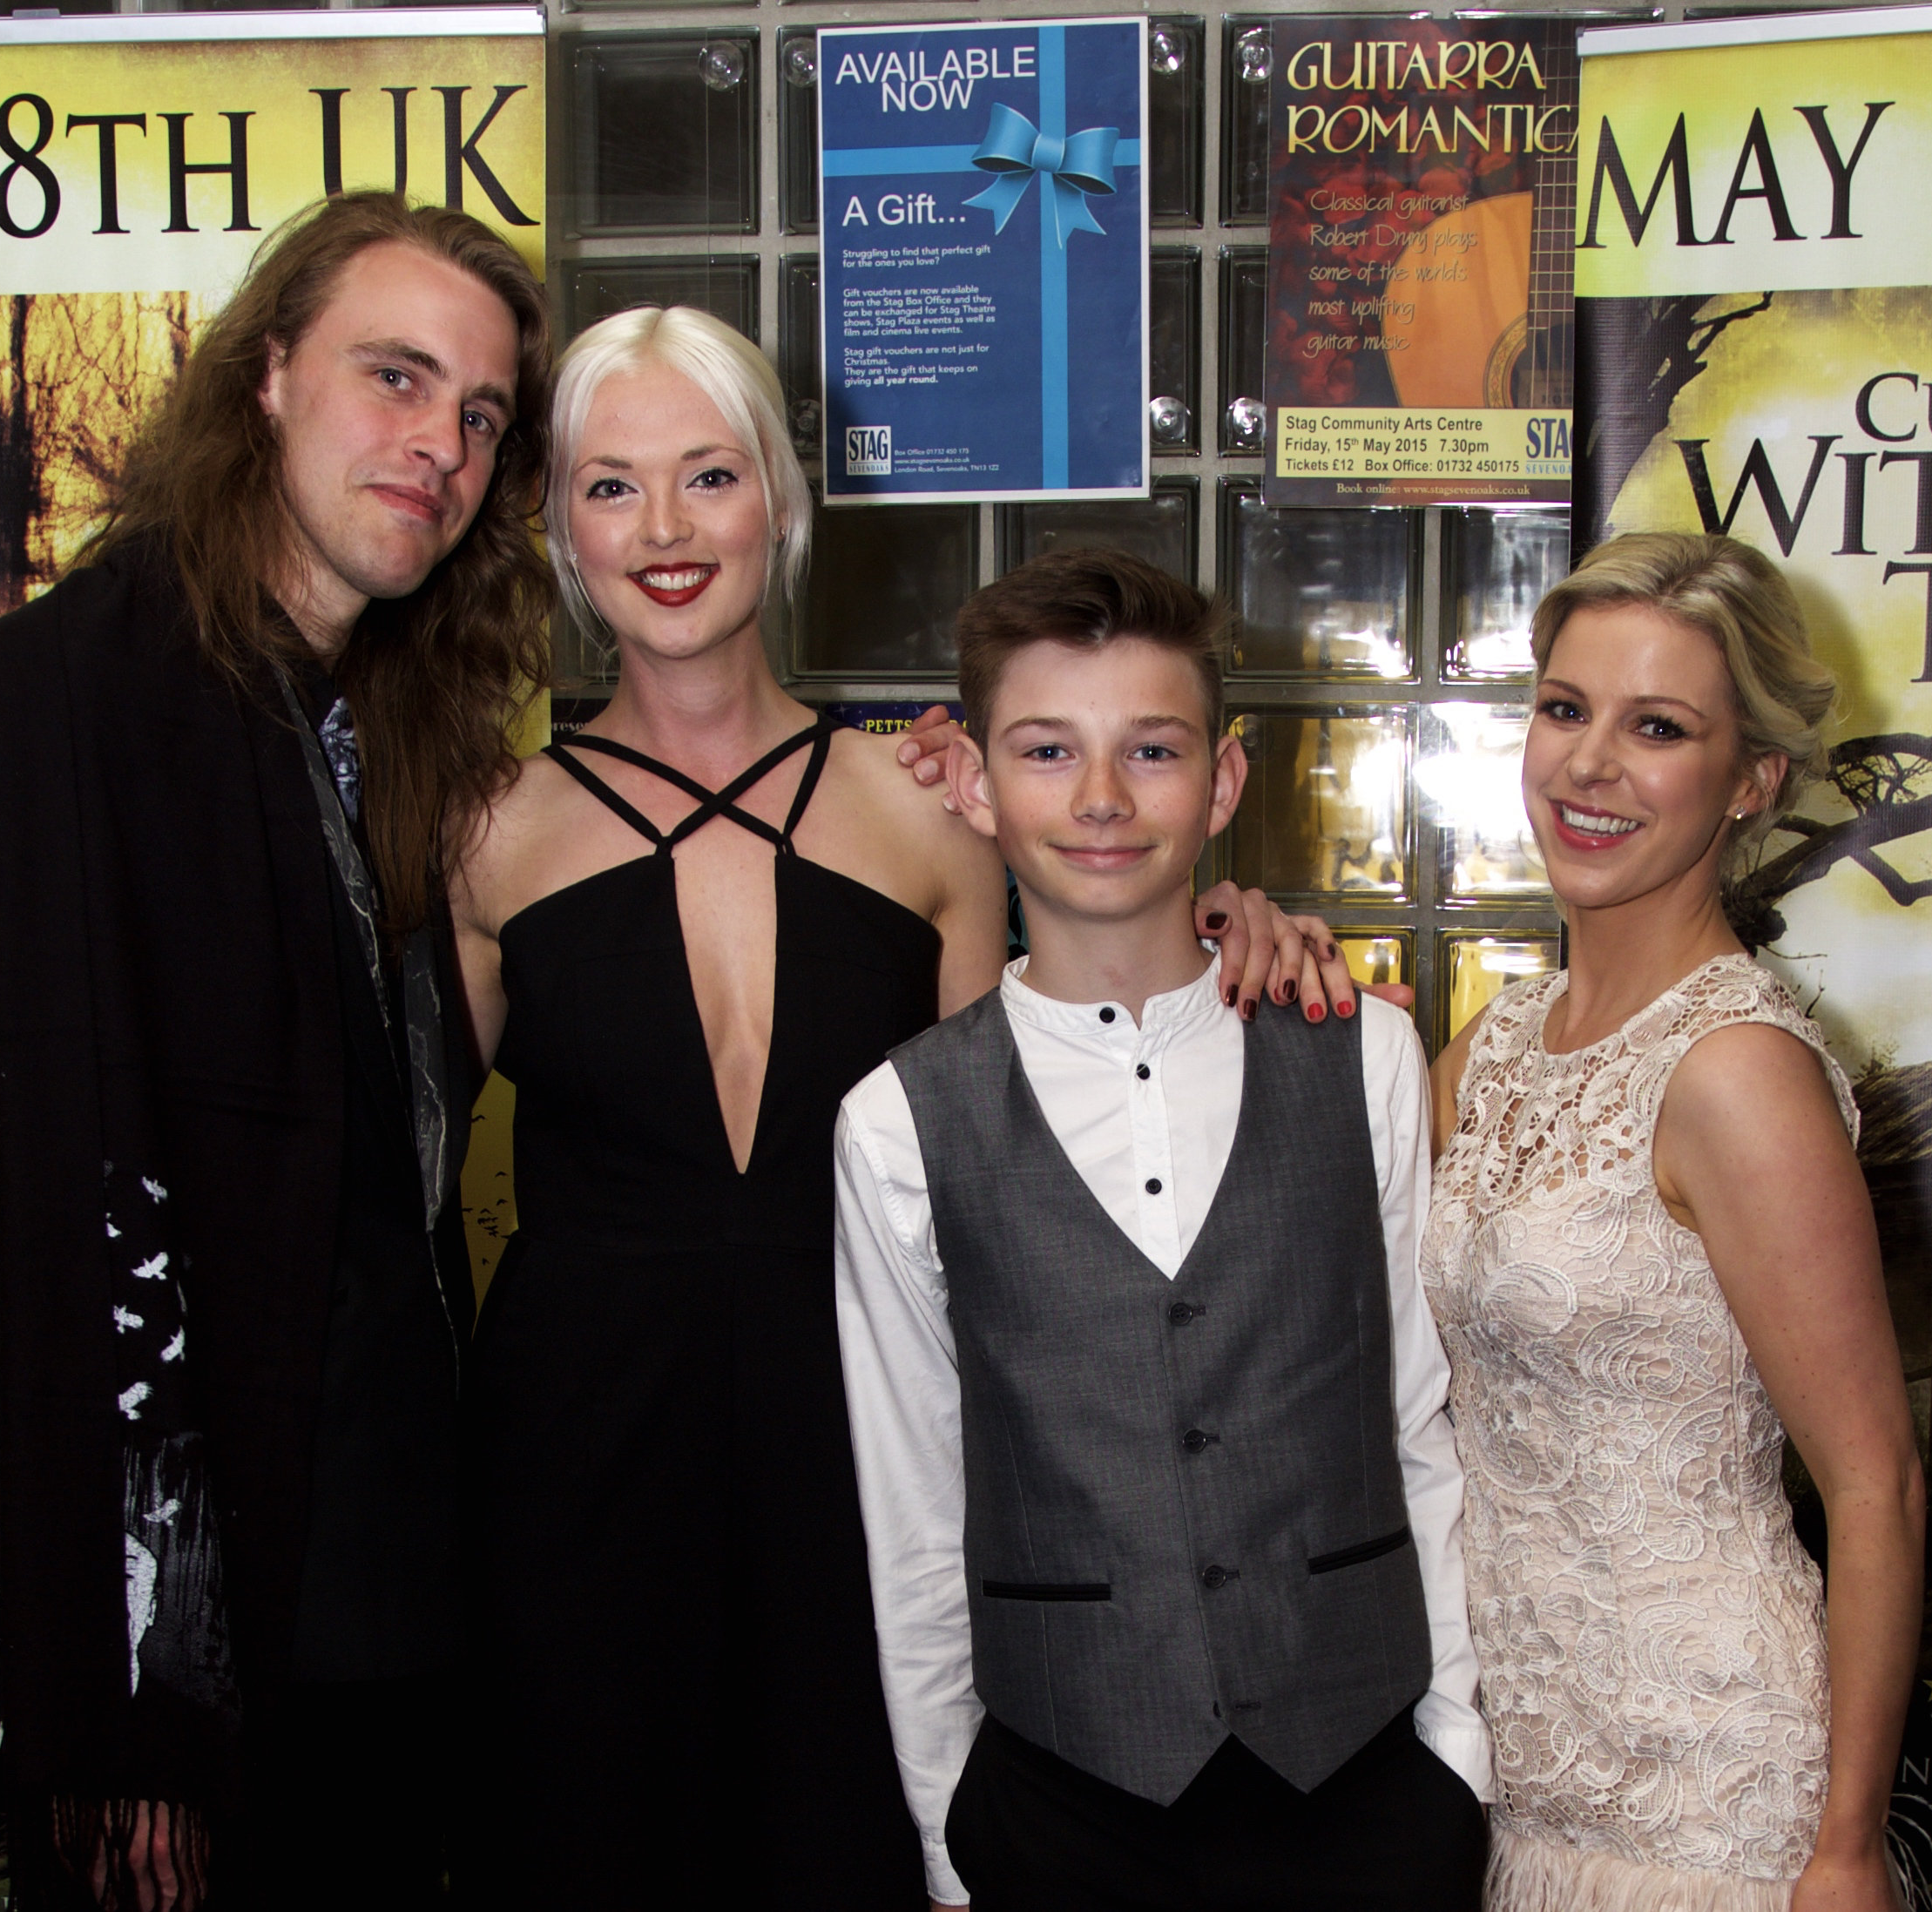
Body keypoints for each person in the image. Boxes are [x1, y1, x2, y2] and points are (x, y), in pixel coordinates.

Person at [447, 316, 1365, 1908]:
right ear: (559, 530)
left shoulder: (928, 810)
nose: (664, 531)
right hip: (570, 1480)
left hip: (866, 1470)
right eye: (612, 487)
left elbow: (1054, 1127)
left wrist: (1233, 919)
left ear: (779, 505)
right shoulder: (481, 832)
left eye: (708, 476)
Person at [0, 190, 552, 1909]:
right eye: (395, 377)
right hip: (210, 1664)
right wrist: (138, 1708)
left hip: (394, 1615)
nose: (438, 442)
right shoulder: (71, 690)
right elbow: (65, 1229)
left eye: (481, 414)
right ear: (267, 374)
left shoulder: (382, 718)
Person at [831, 548, 1492, 1912]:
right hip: (1064, 1795)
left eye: (1149, 749)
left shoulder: (1360, 1054)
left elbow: (1419, 1422)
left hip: (1363, 1777)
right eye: (1044, 749)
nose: (1098, 798)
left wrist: (1457, 1757)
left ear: (1223, 779)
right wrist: (948, 1834)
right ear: (970, 783)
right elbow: (912, 1501)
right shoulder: (897, 1120)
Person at [1424, 531, 1924, 1912]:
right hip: (1505, 1771)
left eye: (1656, 727)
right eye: (1564, 707)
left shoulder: (1738, 1071)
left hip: (1705, 1803)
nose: (1587, 764)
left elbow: (1874, 1481)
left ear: (1748, 782)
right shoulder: (1497, 1042)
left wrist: (1844, 1849)